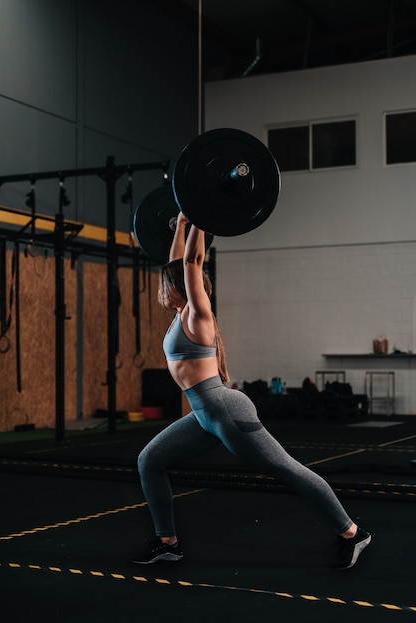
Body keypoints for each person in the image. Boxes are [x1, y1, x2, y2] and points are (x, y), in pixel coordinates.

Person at [132, 213, 371, 568]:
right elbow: (176, 263)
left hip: (227, 412)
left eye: (168, 282)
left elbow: (191, 262)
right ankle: (168, 542)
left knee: (286, 469)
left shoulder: (198, 316)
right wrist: (182, 224)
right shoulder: (179, 312)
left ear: (182, 287)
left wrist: (200, 213)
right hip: (204, 415)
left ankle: (352, 532)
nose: (160, 288)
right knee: (149, 461)